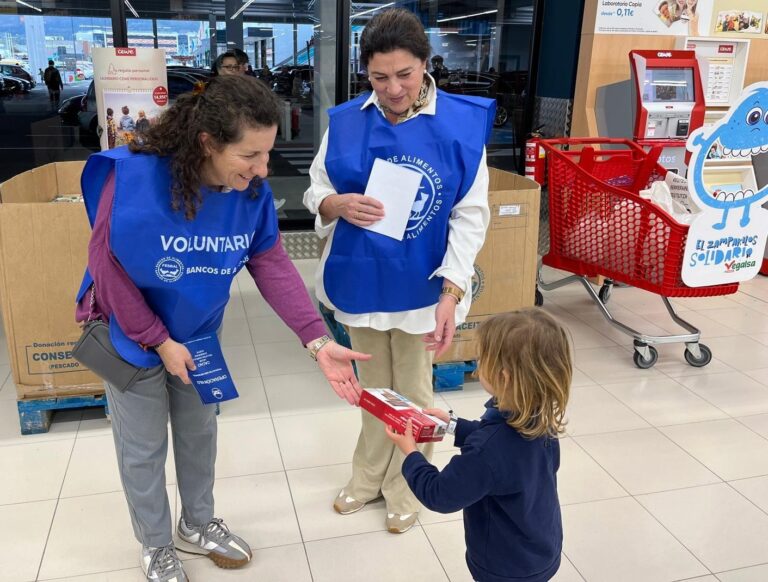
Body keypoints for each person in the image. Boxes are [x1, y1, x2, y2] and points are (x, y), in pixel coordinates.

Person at [74, 75, 369, 582]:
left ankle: (198, 522)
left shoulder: (248, 193)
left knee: (198, 433)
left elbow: (270, 261)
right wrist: (158, 340)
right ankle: (155, 543)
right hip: (130, 335)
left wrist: (316, 340)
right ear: (208, 143)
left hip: (196, 333)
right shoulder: (131, 180)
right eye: (250, 155)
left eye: (268, 154)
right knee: (142, 448)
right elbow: (107, 269)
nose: (263, 169)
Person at [303, 8, 495, 534]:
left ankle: (407, 483)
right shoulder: (345, 122)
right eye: (380, 77)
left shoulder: (459, 123)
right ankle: (368, 477)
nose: (392, 89)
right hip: (362, 276)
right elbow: (315, 189)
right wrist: (335, 204)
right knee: (373, 390)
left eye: (405, 75)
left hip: (422, 284)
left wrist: (452, 293)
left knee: (414, 391)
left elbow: (470, 215)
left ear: (426, 64)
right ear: (365, 71)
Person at [386, 309, 571, 582]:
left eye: (482, 358)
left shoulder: (486, 452)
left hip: (501, 566)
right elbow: (505, 453)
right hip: (541, 549)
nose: (478, 362)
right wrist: (453, 425)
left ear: (504, 376)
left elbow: (440, 494)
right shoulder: (540, 419)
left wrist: (411, 453)